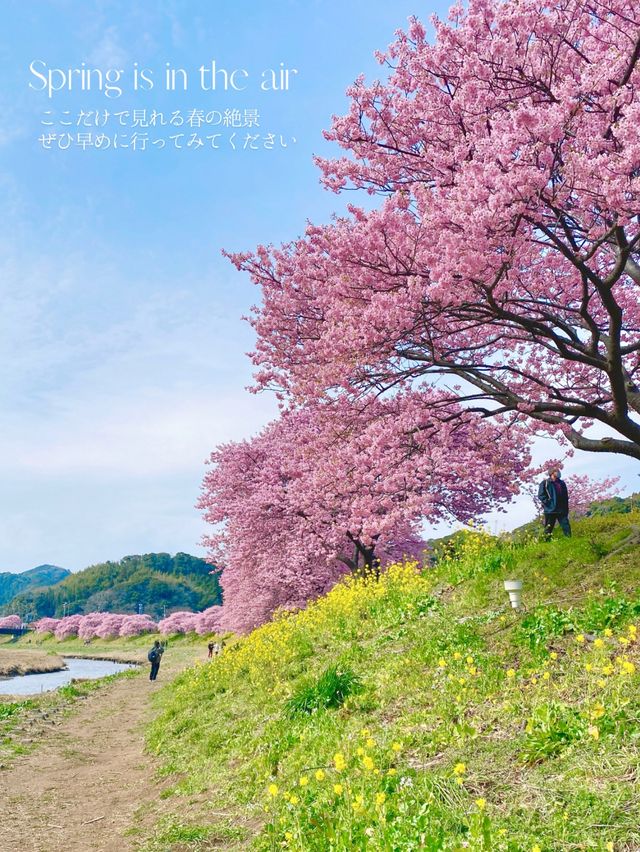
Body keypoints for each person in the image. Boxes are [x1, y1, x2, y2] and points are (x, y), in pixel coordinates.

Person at [538, 467, 571, 539]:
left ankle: (569, 539)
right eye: (557, 471)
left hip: (561, 509)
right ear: (552, 473)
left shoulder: (562, 483)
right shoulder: (545, 483)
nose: (559, 473)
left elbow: (565, 497)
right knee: (548, 528)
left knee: (566, 525)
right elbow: (541, 495)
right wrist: (549, 503)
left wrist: (566, 508)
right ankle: (546, 542)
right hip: (550, 510)